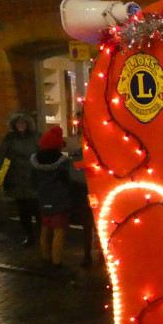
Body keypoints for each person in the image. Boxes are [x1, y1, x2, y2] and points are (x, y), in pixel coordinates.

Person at [30, 126, 72, 271]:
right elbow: (69, 180)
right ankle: (57, 262)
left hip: (43, 200)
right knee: (58, 232)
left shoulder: (35, 160)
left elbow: (33, 182)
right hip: (60, 201)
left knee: (45, 229)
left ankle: (46, 258)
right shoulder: (63, 162)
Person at [0, 112, 41, 246]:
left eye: (23, 123)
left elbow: (43, 153)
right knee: (23, 211)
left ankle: (43, 237)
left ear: (28, 124)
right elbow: (1, 156)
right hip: (17, 179)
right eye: (18, 123)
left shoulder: (36, 137)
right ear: (14, 125)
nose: (21, 125)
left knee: (37, 210)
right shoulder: (10, 138)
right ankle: (29, 236)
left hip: (34, 178)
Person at [65, 110, 95, 267]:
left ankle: (96, 253)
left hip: (93, 186)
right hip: (81, 187)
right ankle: (88, 254)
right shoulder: (75, 140)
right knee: (87, 224)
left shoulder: (95, 137)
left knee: (94, 223)